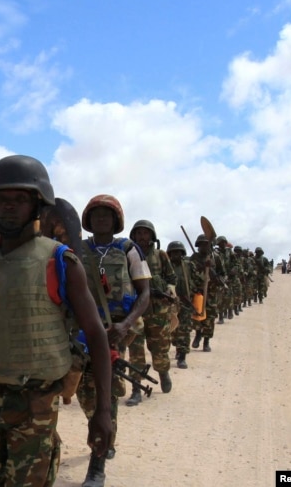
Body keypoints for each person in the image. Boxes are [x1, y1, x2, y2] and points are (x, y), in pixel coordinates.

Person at [0, 155, 113, 487]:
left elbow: (96, 335)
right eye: (2, 199)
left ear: (37, 205)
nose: (10, 207)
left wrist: (103, 413)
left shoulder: (61, 261)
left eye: (20, 199)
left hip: (34, 405)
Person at [74, 194, 152, 487]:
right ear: (88, 220)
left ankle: (97, 464)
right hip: (81, 331)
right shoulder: (78, 249)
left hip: (114, 331)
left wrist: (126, 324)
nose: (101, 219)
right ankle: (105, 435)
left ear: (116, 220)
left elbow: (144, 293)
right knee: (84, 394)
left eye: (107, 215)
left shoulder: (129, 249)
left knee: (104, 395)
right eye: (96, 215)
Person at [123, 219, 178, 402]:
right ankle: (136, 390)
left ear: (152, 236)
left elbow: (171, 278)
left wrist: (169, 290)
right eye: (138, 233)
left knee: (160, 348)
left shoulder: (160, 255)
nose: (142, 236)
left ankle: (163, 372)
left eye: (145, 233)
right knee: (135, 351)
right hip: (136, 312)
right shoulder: (128, 254)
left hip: (158, 311)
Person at [166, 240, 199, 370]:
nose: (176, 255)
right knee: (172, 330)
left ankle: (182, 356)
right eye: (173, 252)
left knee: (184, 330)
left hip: (185, 302)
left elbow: (197, 279)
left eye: (178, 252)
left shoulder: (188, 266)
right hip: (171, 302)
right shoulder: (166, 266)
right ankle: (178, 347)